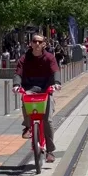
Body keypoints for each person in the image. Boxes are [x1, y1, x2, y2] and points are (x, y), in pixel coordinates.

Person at [13, 35, 61, 163]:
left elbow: (55, 71)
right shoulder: (24, 59)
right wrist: (16, 85)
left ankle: (50, 151)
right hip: (30, 87)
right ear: (31, 43)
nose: (37, 44)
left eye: (40, 42)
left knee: (47, 120)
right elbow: (18, 73)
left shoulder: (50, 58)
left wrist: (56, 83)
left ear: (44, 44)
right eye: (35, 41)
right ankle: (28, 126)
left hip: (46, 89)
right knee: (25, 98)